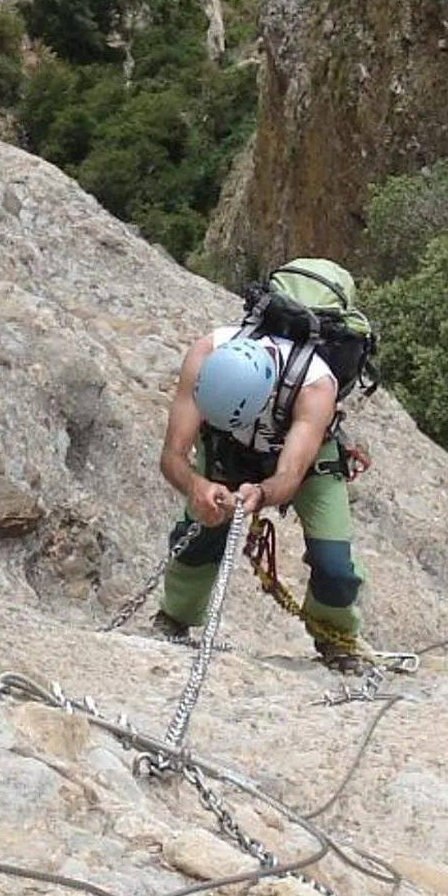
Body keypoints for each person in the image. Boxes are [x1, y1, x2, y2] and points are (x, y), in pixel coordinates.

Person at [154, 262, 369, 667]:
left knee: (334, 564)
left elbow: (290, 475)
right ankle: (175, 616)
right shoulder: (206, 354)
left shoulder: (315, 386)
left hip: (308, 459)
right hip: (226, 448)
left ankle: (337, 638)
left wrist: (262, 493)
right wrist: (197, 486)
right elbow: (172, 456)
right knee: (200, 533)